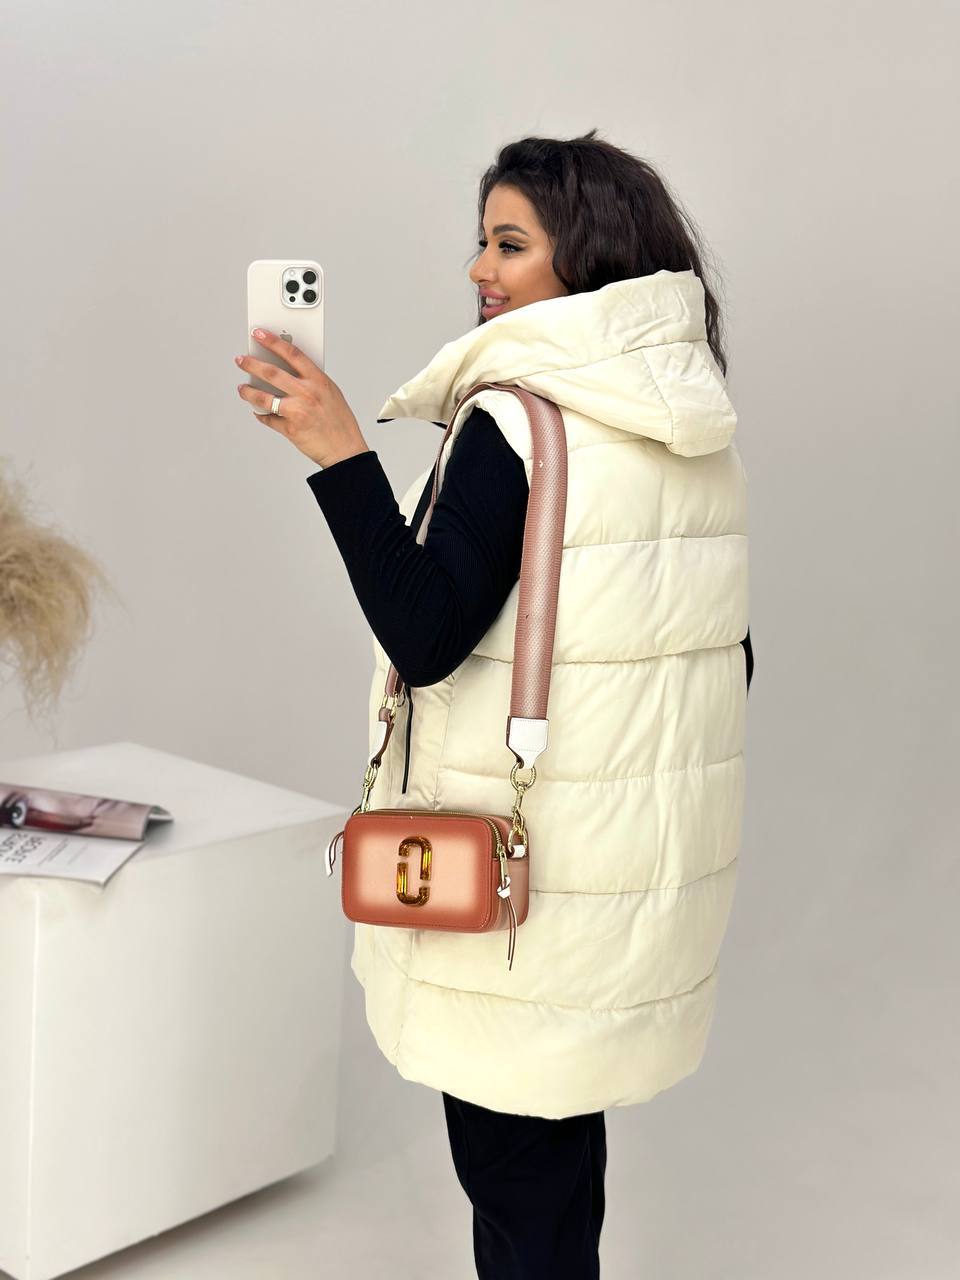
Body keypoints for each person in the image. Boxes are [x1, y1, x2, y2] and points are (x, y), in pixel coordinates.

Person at [235, 128, 753, 1279]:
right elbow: (723, 656)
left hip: (520, 889)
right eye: (482, 241)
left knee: (517, 1191)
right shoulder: (686, 419)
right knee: (557, 1167)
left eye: (510, 244)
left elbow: (424, 637)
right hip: (628, 876)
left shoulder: (519, 419)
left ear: (588, 253)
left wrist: (339, 455)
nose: (479, 268)